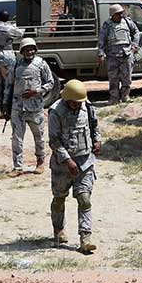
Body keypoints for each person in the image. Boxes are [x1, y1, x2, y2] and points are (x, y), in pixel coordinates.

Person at [48, 79, 101, 254]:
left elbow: (94, 125)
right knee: (59, 198)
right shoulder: (56, 111)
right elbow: (54, 140)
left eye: (80, 102)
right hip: (63, 166)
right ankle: (58, 230)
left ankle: (85, 238)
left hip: (85, 162)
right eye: (75, 103)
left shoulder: (86, 105)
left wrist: (97, 140)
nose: (78, 105)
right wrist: (67, 161)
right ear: (67, 99)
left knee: (84, 198)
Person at [5, 37, 56, 175]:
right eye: (26, 50)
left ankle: (40, 163)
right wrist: (5, 105)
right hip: (18, 108)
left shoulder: (41, 64)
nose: (30, 52)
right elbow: (8, 86)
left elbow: (50, 83)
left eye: (32, 49)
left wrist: (37, 91)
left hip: (35, 108)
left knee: (39, 136)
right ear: (22, 51)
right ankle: (17, 167)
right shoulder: (15, 65)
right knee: (17, 138)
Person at [97, 3, 138, 104]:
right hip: (112, 56)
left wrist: (134, 45)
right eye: (118, 14)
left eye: (121, 13)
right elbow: (102, 39)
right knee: (113, 78)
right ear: (112, 14)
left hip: (126, 55)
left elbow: (136, 32)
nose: (120, 15)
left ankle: (125, 96)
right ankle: (114, 98)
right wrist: (101, 54)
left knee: (127, 77)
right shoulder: (107, 25)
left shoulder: (127, 22)